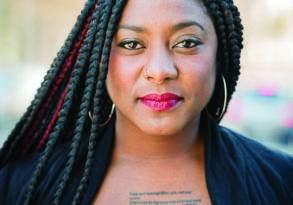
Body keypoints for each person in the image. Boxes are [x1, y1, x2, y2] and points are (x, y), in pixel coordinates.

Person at [0, 0, 292, 204]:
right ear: (97, 60)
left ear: (220, 56)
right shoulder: (21, 185)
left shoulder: (282, 180)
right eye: (131, 44)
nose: (160, 71)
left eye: (186, 43)